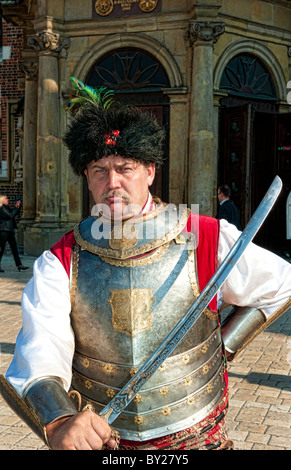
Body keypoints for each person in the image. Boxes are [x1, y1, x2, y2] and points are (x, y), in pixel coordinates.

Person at [1, 78, 290, 451]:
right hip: (104, 441)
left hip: (197, 433)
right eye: (99, 170)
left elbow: (279, 285)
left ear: (150, 172)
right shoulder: (59, 261)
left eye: (125, 168)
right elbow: (39, 352)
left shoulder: (206, 236)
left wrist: (224, 346)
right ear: (86, 178)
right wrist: (59, 421)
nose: (113, 183)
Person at [0, 195, 28, 273]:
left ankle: (19, 264)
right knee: (1, 249)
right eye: (6, 198)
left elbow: (13, 213)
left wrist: (18, 206)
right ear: (2, 200)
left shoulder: (6, 207)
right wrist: (16, 208)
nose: (7, 199)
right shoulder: (1, 208)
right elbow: (10, 215)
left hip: (9, 230)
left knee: (14, 248)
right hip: (3, 230)